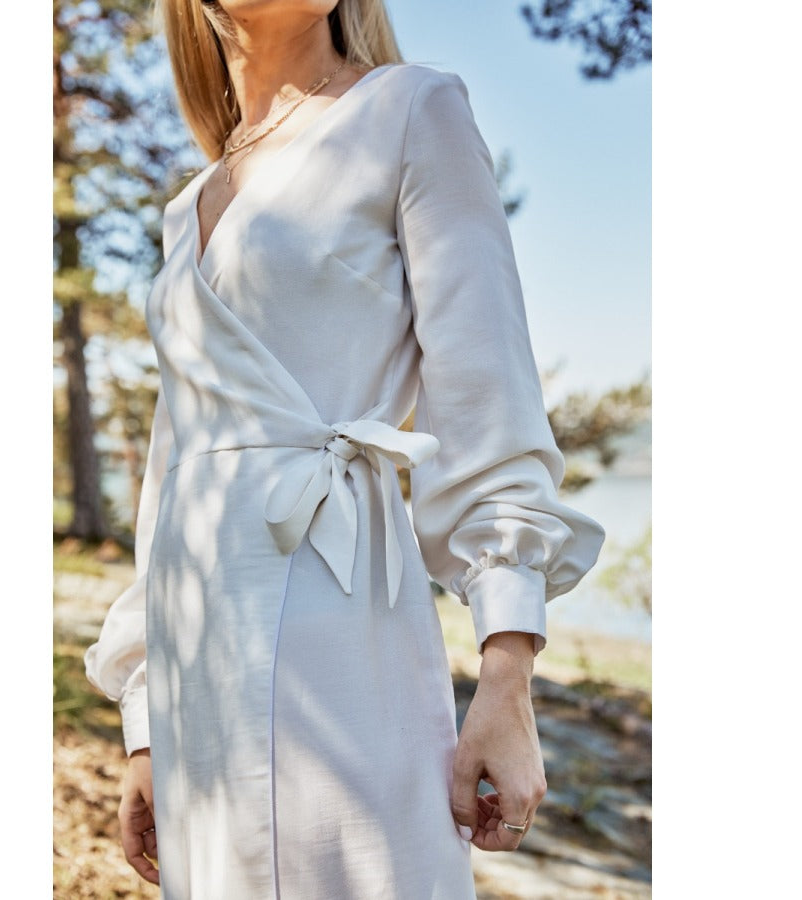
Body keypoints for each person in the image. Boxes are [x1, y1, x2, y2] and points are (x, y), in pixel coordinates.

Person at [84, 1, 606, 897]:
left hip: (339, 611)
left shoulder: (411, 110)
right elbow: (172, 476)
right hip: (194, 650)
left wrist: (506, 673)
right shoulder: (185, 207)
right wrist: (144, 721)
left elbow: (491, 402)